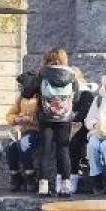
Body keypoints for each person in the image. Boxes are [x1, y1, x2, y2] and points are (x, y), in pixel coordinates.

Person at [35, 49, 84, 196]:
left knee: (45, 150)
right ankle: (65, 186)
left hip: (46, 117)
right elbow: (75, 99)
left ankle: (43, 187)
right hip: (64, 118)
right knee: (63, 150)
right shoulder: (71, 76)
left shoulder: (42, 74)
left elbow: (28, 91)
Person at [1, 71, 41, 192]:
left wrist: (31, 119)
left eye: (22, 86)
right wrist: (16, 119)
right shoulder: (21, 98)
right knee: (10, 147)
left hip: (37, 131)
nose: (20, 88)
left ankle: (30, 175)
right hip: (23, 131)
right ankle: (15, 175)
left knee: (24, 144)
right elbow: (9, 115)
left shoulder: (40, 97)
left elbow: (44, 116)